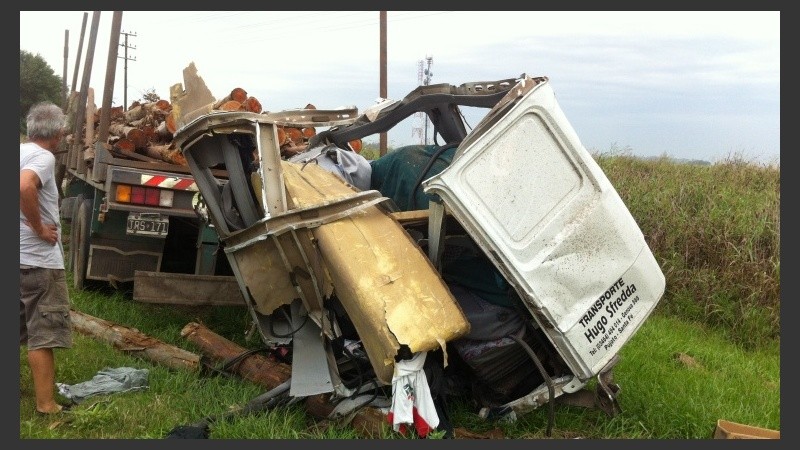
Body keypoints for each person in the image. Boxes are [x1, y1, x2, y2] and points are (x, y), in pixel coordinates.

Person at [20, 101, 72, 415]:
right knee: (42, 333)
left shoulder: (18, 151)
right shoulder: (43, 156)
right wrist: (39, 228)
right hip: (38, 261)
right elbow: (25, 185)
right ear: (55, 134)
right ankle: (46, 406)